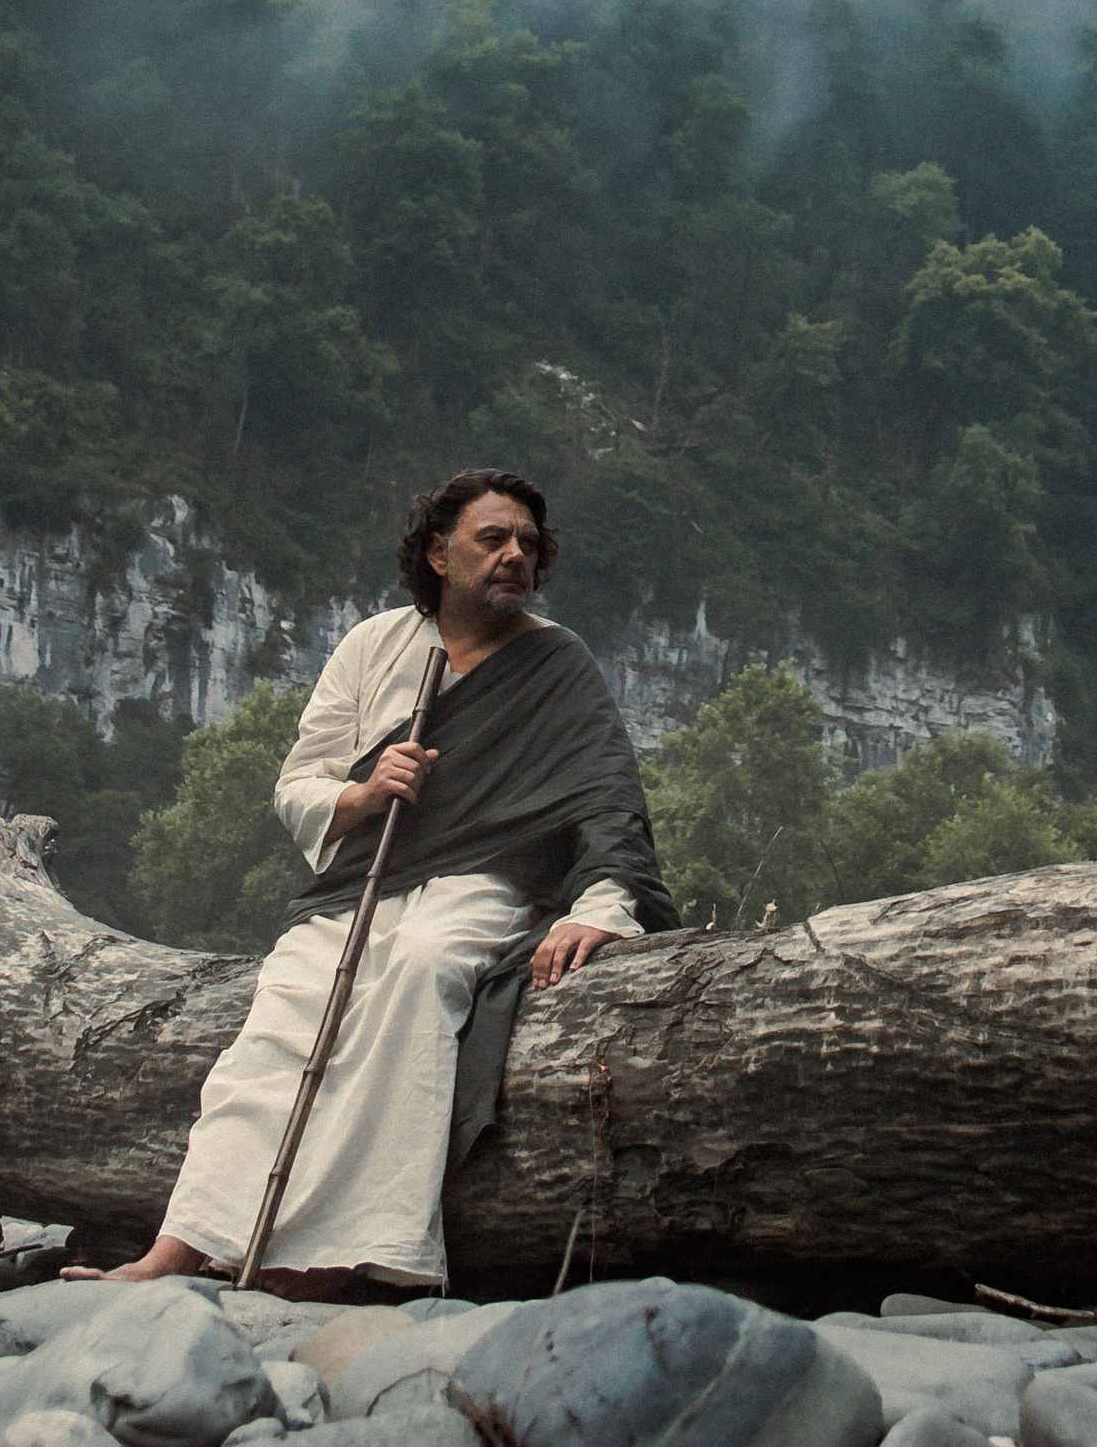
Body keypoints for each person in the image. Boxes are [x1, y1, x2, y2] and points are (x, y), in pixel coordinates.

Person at [68, 468, 675, 1299]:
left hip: (481, 885)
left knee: (422, 970)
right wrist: (362, 790)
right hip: (361, 883)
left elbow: (607, 797)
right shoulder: (374, 646)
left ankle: (344, 1253)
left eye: (528, 544)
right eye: (492, 539)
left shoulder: (557, 663)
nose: (514, 556)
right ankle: (182, 1247)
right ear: (437, 551)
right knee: (282, 1015)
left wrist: (602, 906)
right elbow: (298, 786)